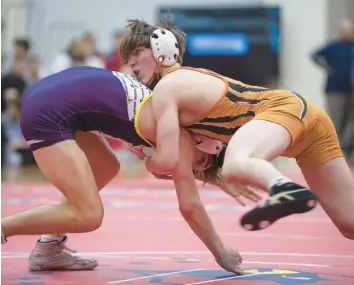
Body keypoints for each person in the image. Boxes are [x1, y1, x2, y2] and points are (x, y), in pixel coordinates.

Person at [1, 66, 258, 273]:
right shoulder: (178, 138)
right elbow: (190, 205)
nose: (194, 169)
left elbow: (185, 169)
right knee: (89, 215)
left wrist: (221, 180)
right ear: (204, 141)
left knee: (105, 166)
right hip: (49, 111)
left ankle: (48, 249)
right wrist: (219, 250)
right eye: (201, 163)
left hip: (53, 94)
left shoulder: (171, 116)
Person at [120, 18, 354, 239]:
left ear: (161, 48)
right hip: (308, 129)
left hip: (284, 109)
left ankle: (285, 187)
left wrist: (151, 160)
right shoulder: (176, 90)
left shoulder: (168, 88)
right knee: (349, 223)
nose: (130, 61)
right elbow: (186, 161)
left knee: (235, 162)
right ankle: (284, 188)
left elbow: (169, 160)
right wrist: (218, 180)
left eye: (137, 52)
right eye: (127, 56)